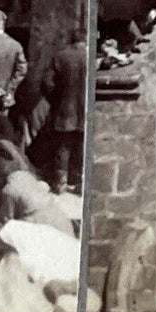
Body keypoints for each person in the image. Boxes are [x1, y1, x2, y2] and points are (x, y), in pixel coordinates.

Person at [49, 31, 87, 193]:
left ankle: (61, 183)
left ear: (71, 40)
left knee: (63, 147)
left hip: (66, 109)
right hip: (84, 111)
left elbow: (48, 83)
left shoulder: (61, 57)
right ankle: (79, 182)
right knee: (81, 146)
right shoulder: (89, 56)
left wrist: (56, 97)